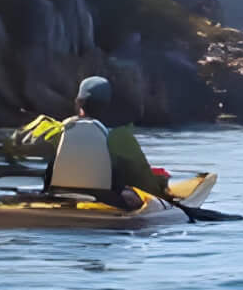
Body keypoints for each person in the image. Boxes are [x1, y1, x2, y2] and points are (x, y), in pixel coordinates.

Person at [44, 75, 161, 210]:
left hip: (56, 197)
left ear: (77, 102)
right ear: (107, 106)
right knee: (133, 195)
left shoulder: (58, 131)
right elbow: (145, 181)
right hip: (106, 201)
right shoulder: (119, 138)